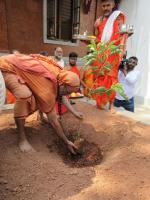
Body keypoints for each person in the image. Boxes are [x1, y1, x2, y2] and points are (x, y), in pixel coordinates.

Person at [0, 53, 83, 154]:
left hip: (17, 64)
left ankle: (40, 116)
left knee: (38, 90)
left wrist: (74, 112)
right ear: (63, 84)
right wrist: (66, 142)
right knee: (25, 95)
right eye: (67, 91)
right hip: (7, 67)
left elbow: (61, 94)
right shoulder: (48, 89)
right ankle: (22, 139)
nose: (67, 95)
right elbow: (54, 121)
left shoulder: (60, 75)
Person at [93, 0, 128, 112]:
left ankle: (111, 105)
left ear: (113, 5)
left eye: (108, 5)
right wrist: (95, 27)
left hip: (113, 52)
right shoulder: (99, 21)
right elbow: (96, 38)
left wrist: (122, 48)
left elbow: (123, 33)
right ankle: (99, 102)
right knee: (100, 77)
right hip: (100, 53)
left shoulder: (118, 16)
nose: (106, 8)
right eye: (103, 6)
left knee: (112, 78)